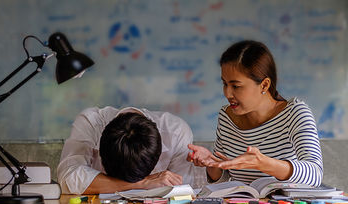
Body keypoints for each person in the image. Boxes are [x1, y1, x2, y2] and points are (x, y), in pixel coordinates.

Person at [188, 40, 323, 187]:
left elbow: (315, 174)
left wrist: (263, 163)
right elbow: (224, 178)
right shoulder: (226, 117)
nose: (227, 93)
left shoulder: (295, 113)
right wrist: (213, 164)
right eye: (225, 84)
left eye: (236, 86)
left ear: (264, 84)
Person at [58, 106, 195, 194]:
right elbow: (68, 177)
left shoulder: (176, 132)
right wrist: (143, 183)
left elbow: (181, 192)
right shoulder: (90, 123)